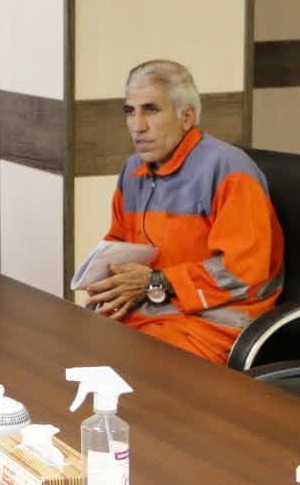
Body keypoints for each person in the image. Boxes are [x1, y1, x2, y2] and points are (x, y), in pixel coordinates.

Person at [84, 59, 284, 364]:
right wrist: (107, 282)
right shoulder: (133, 169)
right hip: (151, 310)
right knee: (70, 344)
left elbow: (243, 272)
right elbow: (119, 244)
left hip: (216, 322)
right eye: (130, 111)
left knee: (127, 367)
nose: (137, 126)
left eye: (151, 110)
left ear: (186, 117)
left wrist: (158, 281)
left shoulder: (229, 170)